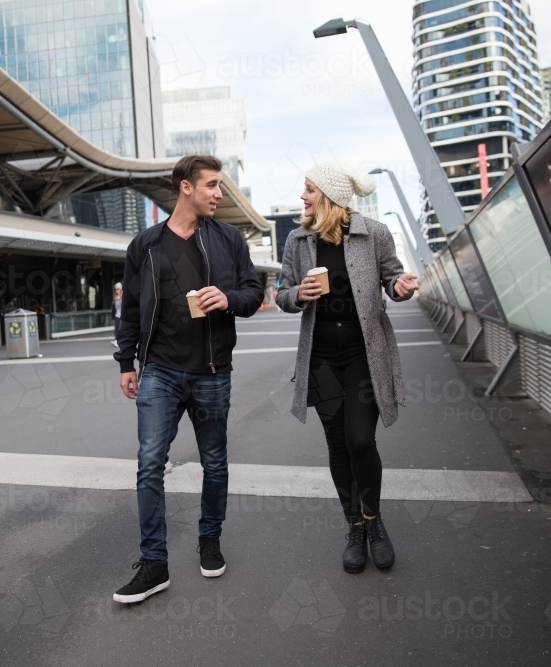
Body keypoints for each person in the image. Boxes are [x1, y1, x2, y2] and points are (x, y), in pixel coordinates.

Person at [112, 155, 265, 603]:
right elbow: (133, 309)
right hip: (159, 369)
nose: (219, 193)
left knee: (214, 463)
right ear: (186, 187)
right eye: (212, 185)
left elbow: (254, 292)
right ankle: (154, 563)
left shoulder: (229, 238)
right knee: (148, 465)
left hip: (212, 372)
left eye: (220, 186)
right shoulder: (146, 245)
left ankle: (210, 539)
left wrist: (230, 297)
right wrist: (126, 362)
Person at [276, 162, 419, 574]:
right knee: (337, 443)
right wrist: (298, 295)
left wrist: (402, 288)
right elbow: (282, 292)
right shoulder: (298, 240)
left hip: (363, 353)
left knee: (359, 439)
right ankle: (353, 527)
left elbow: (393, 280)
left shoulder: (373, 233)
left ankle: (374, 522)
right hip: (320, 357)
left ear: (330, 195)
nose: (302, 197)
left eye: (308, 190)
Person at [111, 282, 123, 347]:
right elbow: (114, 308)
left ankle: (119, 340)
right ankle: (116, 340)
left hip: (122, 315)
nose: (116, 291)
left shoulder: (123, 297)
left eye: (118, 289)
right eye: (115, 289)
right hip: (117, 315)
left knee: (122, 328)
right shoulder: (115, 297)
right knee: (117, 328)